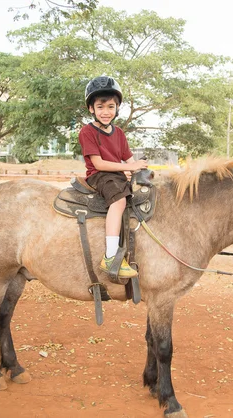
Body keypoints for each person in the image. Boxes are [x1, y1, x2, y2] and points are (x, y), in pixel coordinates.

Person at [78, 75, 148, 278]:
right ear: (91, 108)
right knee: (118, 202)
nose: (106, 112)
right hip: (100, 176)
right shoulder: (87, 132)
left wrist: (139, 168)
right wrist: (128, 167)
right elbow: (98, 163)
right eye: (100, 107)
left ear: (117, 108)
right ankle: (110, 257)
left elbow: (129, 158)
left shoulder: (118, 133)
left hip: (116, 176)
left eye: (110, 106)